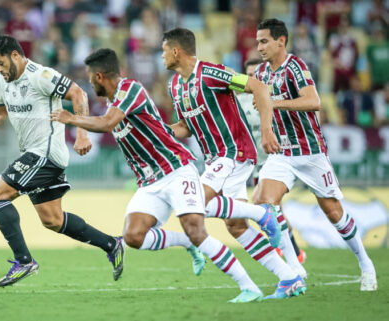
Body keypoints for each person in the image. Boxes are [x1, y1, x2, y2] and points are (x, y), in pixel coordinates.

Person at [52, 48, 266, 303]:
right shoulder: (113, 102)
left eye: (89, 77)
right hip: (150, 181)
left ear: (99, 76)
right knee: (133, 236)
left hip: (176, 170)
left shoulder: (130, 89)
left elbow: (108, 123)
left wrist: (71, 119)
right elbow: (108, 120)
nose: (89, 83)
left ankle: (249, 286)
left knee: (197, 230)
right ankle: (186, 243)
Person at [0, 35, 125, 287]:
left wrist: (81, 134)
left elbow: (79, 94)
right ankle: (112, 244)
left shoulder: (41, 75)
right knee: (53, 220)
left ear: (15, 55)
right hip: (36, 154)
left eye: (1, 63)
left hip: (45, 154)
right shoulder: (3, 81)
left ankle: (24, 261)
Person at [161, 28, 305, 300]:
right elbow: (185, 127)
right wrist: (160, 132)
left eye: (164, 50)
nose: (162, 56)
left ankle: (262, 215)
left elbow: (259, 87)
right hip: (216, 159)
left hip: (234, 152)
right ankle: (289, 278)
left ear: (177, 51)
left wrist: (266, 130)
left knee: (194, 203)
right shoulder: (175, 85)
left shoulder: (211, 73)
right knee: (236, 225)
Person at [254, 18, 377, 291]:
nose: (259, 46)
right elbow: (263, 108)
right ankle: (294, 266)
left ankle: (365, 263)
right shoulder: (261, 74)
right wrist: (267, 132)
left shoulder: (295, 66)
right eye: (257, 41)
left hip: (310, 152)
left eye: (264, 41)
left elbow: (314, 101)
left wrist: (275, 103)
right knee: (265, 202)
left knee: (334, 212)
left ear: (280, 41)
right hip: (283, 151)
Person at [240, 58, 306, 265]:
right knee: (269, 208)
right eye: (248, 75)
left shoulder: (273, 98)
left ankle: (287, 252)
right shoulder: (239, 100)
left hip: (275, 160)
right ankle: (292, 252)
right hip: (253, 164)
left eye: (255, 75)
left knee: (271, 206)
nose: (252, 79)